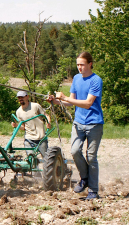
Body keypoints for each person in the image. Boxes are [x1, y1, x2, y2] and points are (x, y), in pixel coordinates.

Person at [48, 51, 103, 200]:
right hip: (78, 122)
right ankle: (84, 177)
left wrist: (65, 97)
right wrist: (56, 101)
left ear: (90, 64)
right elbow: (70, 101)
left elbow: (87, 103)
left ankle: (93, 190)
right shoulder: (77, 79)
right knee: (74, 150)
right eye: (78, 64)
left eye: (82, 64)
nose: (79, 67)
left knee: (91, 157)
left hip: (94, 123)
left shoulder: (96, 80)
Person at [11, 91, 51, 158]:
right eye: (19, 97)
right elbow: (23, 127)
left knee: (46, 159)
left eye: (22, 97)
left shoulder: (35, 106)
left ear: (27, 97)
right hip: (29, 139)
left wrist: (48, 122)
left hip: (41, 138)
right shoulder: (18, 112)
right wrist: (16, 125)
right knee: (31, 159)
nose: (20, 99)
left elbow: (46, 115)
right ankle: (34, 166)